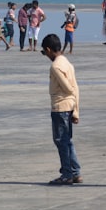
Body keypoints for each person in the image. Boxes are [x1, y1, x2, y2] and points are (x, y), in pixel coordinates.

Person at [42, 33, 82, 185]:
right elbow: (76, 88)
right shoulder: (67, 63)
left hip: (60, 107)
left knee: (61, 141)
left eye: (45, 52)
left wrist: (70, 97)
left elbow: (69, 88)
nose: (46, 55)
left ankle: (67, 174)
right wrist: (76, 109)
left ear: (49, 49)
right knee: (67, 140)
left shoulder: (56, 66)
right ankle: (75, 171)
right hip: (70, 106)